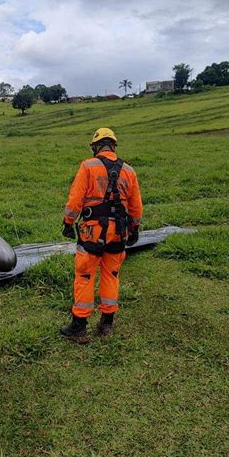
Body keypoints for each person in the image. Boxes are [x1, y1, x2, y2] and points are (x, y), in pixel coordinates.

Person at [60, 128, 143, 342]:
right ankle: (106, 325)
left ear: (96, 146)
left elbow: (75, 200)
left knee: (85, 276)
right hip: (118, 233)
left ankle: (79, 327)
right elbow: (136, 208)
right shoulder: (129, 171)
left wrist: (68, 223)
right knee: (111, 275)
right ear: (114, 146)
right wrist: (134, 228)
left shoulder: (88, 166)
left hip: (92, 232)